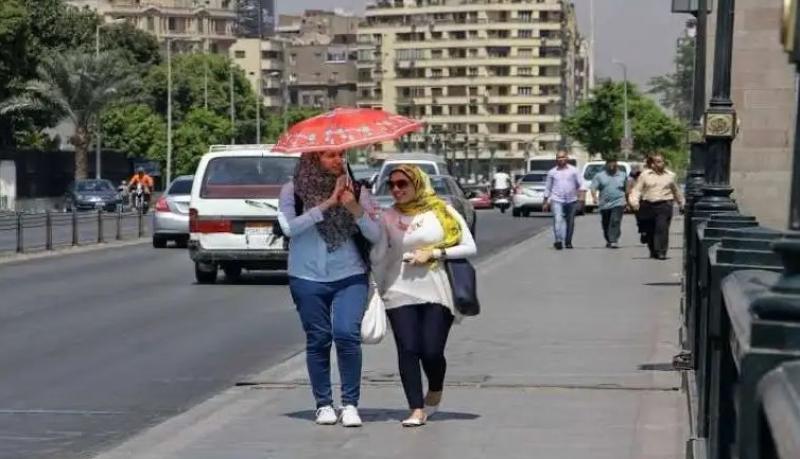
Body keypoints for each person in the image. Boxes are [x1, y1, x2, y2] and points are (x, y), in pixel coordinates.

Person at [277, 151, 381, 428]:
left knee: (347, 334)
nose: (337, 160)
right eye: (329, 155)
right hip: (306, 276)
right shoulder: (292, 191)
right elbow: (289, 228)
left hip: (350, 274)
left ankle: (350, 404)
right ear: (313, 160)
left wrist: (353, 208)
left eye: (341, 155)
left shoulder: (357, 190)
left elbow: (375, 234)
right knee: (319, 339)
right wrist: (327, 205)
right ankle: (323, 404)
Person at [371, 165, 477, 427]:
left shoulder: (442, 211)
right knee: (408, 349)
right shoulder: (387, 216)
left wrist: (435, 253)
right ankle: (416, 408)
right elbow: (379, 258)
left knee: (431, 351)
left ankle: (436, 387)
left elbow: (469, 246)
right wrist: (368, 225)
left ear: (417, 183)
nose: (396, 189)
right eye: (392, 185)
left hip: (436, 290)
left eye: (402, 184)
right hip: (398, 290)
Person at [628, 153, 685, 260]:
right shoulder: (645, 175)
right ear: (652, 164)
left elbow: (676, 191)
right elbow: (637, 190)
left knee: (662, 228)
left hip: (664, 204)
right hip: (648, 205)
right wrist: (634, 202)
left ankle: (661, 251)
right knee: (650, 230)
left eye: (662, 161)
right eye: (658, 162)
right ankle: (653, 249)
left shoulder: (670, 175)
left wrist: (681, 203)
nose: (660, 164)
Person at [542, 150, 584, 250]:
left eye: (563, 157)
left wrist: (581, 198)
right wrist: (545, 201)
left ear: (567, 158)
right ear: (556, 159)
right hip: (557, 199)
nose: (561, 160)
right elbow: (548, 187)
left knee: (570, 222)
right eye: (559, 158)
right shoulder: (552, 172)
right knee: (558, 219)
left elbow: (581, 184)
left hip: (571, 200)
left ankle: (568, 241)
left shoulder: (574, 170)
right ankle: (558, 240)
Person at [591, 157, 628, 249]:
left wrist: (627, 200)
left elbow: (626, 188)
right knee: (606, 223)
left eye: (613, 162)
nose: (611, 165)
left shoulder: (622, 175)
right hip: (605, 204)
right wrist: (594, 197)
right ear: (606, 164)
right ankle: (609, 239)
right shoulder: (599, 176)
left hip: (619, 202)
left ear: (616, 163)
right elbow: (593, 188)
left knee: (615, 220)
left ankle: (613, 240)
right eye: (609, 163)